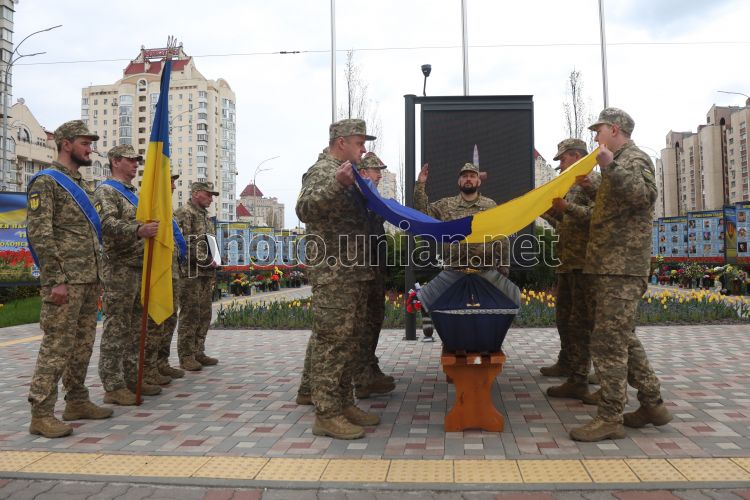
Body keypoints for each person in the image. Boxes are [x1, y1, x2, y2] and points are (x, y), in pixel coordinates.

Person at [570, 108, 672, 442]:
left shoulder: (634, 158)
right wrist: (592, 185)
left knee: (608, 342)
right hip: (609, 265)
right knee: (622, 337)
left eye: (598, 130)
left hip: (622, 268)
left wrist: (610, 166)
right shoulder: (619, 161)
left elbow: (643, 197)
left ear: (614, 129)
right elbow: (614, 203)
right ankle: (652, 403)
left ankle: (610, 417)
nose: (595, 136)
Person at [26, 120, 113, 438]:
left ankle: (76, 400)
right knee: (57, 346)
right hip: (65, 280)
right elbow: (40, 233)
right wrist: (55, 279)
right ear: (66, 144)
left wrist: (98, 276)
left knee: (82, 345)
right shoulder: (47, 182)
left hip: (88, 279)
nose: (90, 149)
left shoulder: (83, 184)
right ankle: (41, 413)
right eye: (84, 143)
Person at [295, 118, 380, 440]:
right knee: (331, 343)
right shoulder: (323, 171)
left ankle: (345, 403)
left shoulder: (349, 172)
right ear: (341, 142)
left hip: (354, 272)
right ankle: (326, 414)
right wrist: (337, 184)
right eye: (359, 143)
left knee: (349, 342)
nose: (363, 149)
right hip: (335, 274)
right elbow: (304, 208)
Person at [95, 144, 164, 405]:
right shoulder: (106, 191)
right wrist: (138, 230)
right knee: (117, 328)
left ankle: (133, 378)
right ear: (115, 161)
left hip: (139, 267)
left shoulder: (133, 193)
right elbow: (105, 224)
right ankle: (113, 386)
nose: (136, 164)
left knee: (136, 328)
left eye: (137, 160)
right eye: (130, 160)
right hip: (119, 268)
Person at [540, 139, 600, 405]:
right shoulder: (571, 185)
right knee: (565, 318)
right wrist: (548, 213)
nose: (560, 164)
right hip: (567, 262)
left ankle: (583, 376)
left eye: (562, 159)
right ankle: (569, 365)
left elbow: (598, 216)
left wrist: (568, 208)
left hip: (585, 264)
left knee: (583, 323)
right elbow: (566, 223)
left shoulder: (592, 181)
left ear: (576, 156)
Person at [351, 152, 396, 398]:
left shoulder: (373, 198)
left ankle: (369, 368)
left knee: (374, 320)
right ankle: (362, 378)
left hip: (375, 270)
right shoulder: (355, 198)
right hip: (361, 271)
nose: (380, 175)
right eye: (376, 171)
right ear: (363, 173)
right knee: (363, 323)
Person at [414, 162, 509, 273]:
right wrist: (420, 184)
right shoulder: (446, 205)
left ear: (478, 181)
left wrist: (504, 264)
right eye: (464, 176)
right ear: (459, 181)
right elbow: (423, 212)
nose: (468, 179)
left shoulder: (490, 205)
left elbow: (500, 234)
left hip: (485, 270)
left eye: (472, 176)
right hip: (453, 271)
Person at [174, 182, 220, 371]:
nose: (211, 199)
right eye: (208, 195)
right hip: (190, 273)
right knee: (190, 314)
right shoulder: (184, 213)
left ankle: (198, 350)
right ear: (195, 193)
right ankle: (186, 356)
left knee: (204, 313)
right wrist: (205, 260)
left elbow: (209, 242)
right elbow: (184, 243)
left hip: (206, 273)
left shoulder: (205, 216)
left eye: (212, 195)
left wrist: (216, 257)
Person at [155, 174, 186, 380]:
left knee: (170, 318)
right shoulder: (152, 208)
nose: (174, 186)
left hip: (173, 272)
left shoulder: (168, 211)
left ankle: (161, 362)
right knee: (157, 322)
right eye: (170, 182)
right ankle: (150, 367)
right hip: (160, 273)